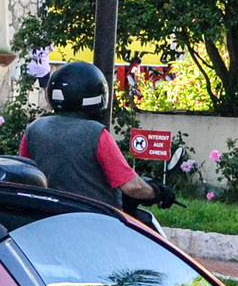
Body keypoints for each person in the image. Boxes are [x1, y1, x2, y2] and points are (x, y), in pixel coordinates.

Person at [18, 60, 156, 209]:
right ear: (97, 96)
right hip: (95, 222)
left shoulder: (34, 129)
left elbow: (25, 175)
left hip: (47, 216)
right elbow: (131, 186)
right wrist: (156, 192)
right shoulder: (96, 134)